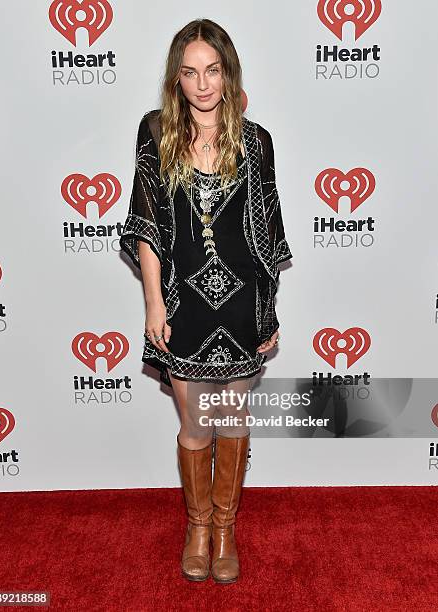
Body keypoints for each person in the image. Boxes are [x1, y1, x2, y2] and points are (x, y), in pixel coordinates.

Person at [120, 18, 292, 584]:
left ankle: (226, 528)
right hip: (182, 303)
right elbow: (146, 228)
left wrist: (267, 310)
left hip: (242, 304)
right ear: (176, 77)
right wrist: (153, 305)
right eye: (190, 72)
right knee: (196, 424)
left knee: (233, 418)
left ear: (228, 73)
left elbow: (265, 235)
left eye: (212, 71)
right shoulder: (155, 133)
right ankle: (197, 526)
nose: (202, 84)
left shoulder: (256, 141)